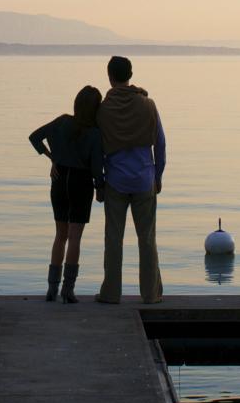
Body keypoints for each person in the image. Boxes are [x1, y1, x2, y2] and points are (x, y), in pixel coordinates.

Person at [94, 55, 166, 305]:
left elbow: (97, 149)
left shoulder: (103, 109)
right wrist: (158, 176)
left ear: (110, 76)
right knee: (146, 239)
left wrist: (99, 182)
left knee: (113, 239)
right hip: (144, 179)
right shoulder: (148, 105)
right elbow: (160, 144)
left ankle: (111, 293)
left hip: (115, 181)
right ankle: (151, 293)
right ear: (131, 74)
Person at [29, 85, 103, 303]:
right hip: (81, 182)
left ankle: (51, 289)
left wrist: (52, 157)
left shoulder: (61, 122)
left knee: (60, 236)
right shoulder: (95, 134)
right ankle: (68, 290)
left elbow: (34, 137)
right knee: (75, 238)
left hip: (59, 179)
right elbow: (97, 167)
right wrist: (100, 188)